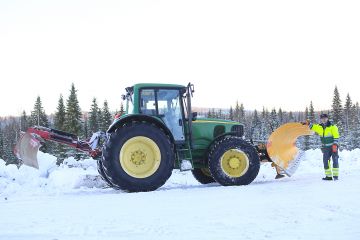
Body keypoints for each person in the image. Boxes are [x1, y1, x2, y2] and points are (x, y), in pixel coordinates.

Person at [303, 113, 340, 180]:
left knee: (335, 160)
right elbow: (313, 126)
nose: (324, 119)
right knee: (325, 161)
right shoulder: (319, 127)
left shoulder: (332, 126)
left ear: (327, 118)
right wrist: (307, 123)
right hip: (325, 147)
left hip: (333, 146)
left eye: (325, 118)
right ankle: (328, 176)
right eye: (322, 118)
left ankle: (335, 176)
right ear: (321, 119)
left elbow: (336, 136)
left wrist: (335, 144)